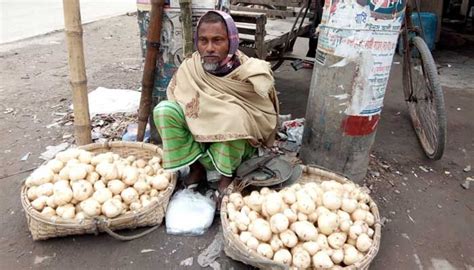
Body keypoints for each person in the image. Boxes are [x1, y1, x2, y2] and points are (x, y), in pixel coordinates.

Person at [153, 10, 279, 205]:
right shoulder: (191, 66)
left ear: (231, 41)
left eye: (217, 40)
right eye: (203, 41)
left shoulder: (249, 71)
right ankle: (196, 168)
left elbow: (261, 114)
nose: (209, 48)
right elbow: (180, 99)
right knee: (164, 111)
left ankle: (226, 177)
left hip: (235, 145)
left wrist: (220, 113)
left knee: (233, 116)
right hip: (198, 142)